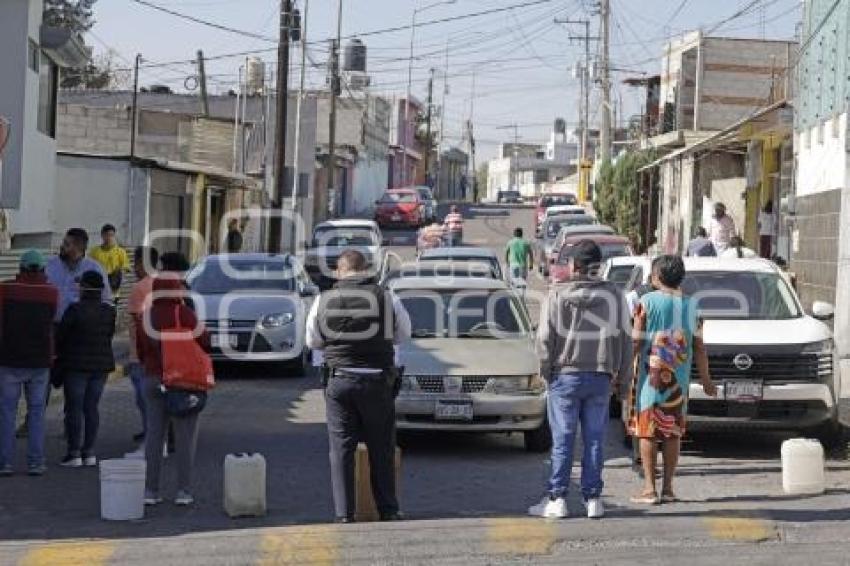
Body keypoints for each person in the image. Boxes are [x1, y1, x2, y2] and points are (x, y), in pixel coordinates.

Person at [306, 249, 411, 523]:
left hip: (339, 380)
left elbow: (312, 341)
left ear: (340, 272)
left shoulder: (323, 300)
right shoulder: (386, 296)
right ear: (364, 270)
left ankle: (344, 513)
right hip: (377, 380)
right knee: (381, 446)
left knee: (341, 447)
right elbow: (404, 334)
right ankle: (388, 509)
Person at [529, 240, 632, 520]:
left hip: (565, 375)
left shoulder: (557, 294)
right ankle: (593, 499)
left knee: (563, 439)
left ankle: (557, 498)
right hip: (601, 376)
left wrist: (545, 373)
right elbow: (625, 340)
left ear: (574, 265)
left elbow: (544, 339)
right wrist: (624, 381)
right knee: (595, 439)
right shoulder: (614, 296)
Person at [629, 255, 717, 504]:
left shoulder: (645, 302)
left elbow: (636, 341)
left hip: (649, 380)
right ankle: (668, 488)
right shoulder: (693, 306)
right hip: (678, 383)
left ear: (656, 276)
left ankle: (649, 488)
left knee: (647, 432)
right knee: (672, 433)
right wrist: (707, 381)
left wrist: (622, 371)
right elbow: (700, 347)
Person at [137, 267, 210, 506]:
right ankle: (183, 491)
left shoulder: (146, 316)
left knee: (154, 437)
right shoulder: (185, 314)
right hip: (183, 382)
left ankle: (151, 490)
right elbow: (205, 341)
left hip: (152, 380)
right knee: (185, 438)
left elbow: (141, 350)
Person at [0, 251, 58, 476]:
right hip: (40, 362)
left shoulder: (5, 290)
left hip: (9, 360)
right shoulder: (51, 293)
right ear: (42, 269)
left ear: (21, 268)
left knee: (7, 412)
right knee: (36, 413)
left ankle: (5, 463)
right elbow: (53, 321)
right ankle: (36, 462)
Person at [56, 270, 116, 468]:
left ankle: (74, 452)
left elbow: (61, 336)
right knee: (92, 408)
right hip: (100, 366)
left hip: (76, 366)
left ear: (84, 288)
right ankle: (89, 452)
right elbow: (109, 335)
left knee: (75, 408)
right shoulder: (109, 311)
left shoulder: (74, 310)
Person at [126, 246, 159, 447]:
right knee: (153, 398)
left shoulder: (140, 288)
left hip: (140, 352)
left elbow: (136, 320)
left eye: (136, 263)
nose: (134, 267)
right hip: (158, 351)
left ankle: (152, 436)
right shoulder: (164, 284)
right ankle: (154, 432)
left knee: (143, 398)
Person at [46, 228, 112, 322]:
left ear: (79, 247)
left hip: (80, 329)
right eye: (63, 242)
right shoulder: (51, 265)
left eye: (67, 244)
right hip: (54, 325)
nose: (62, 247)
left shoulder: (94, 269)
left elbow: (106, 300)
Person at [89, 224, 130, 298]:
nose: (109, 238)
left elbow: (125, 268)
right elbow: (89, 267)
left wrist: (117, 276)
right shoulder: (94, 251)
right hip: (98, 290)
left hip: (113, 292)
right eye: (106, 235)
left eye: (111, 235)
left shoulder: (120, 251)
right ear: (102, 235)